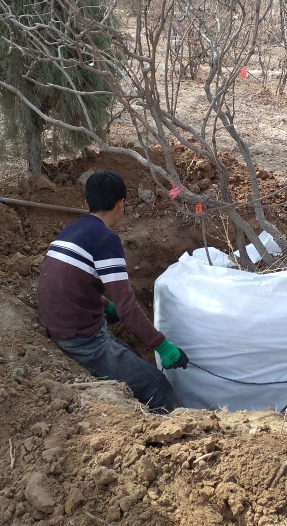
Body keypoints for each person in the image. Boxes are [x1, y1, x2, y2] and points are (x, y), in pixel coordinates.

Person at [36, 170, 187, 413]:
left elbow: (73, 280)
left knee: (127, 353)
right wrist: (162, 346)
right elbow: (127, 308)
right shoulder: (106, 241)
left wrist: (104, 304)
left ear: (87, 203)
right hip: (79, 339)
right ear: (120, 204)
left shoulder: (71, 231)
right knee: (157, 386)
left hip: (60, 322)